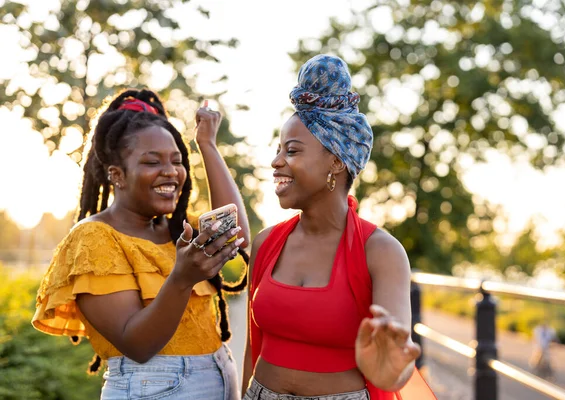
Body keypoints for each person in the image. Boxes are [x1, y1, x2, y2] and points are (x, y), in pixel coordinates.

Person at [32, 88, 249, 400]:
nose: (171, 172)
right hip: (155, 388)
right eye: (152, 162)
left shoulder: (178, 229)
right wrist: (182, 278)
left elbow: (236, 231)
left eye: (177, 160)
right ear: (117, 175)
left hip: (220, 376)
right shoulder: (94, 238)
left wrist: (207, 145)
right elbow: (138, 344)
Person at [241, 55, 436, 400]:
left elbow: (396, 364)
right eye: (278, 150)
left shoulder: (381, 252)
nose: (276, 162)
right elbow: (251, 349)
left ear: (335, 160)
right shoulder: (266, 242)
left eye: (292, 150)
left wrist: (389, 368)